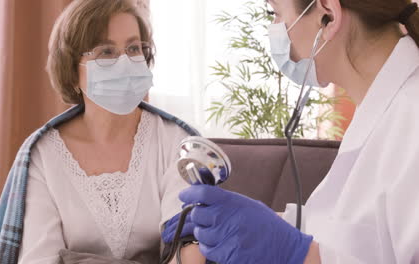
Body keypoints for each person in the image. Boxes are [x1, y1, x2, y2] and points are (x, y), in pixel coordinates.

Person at [163, 0, 419, 263]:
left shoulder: (412, 118)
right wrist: (259, 224)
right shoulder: (381, 111)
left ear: (328, 16)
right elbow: (354, 237)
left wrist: (293, 252)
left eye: (275, 13)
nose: (273, 28)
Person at [0, 0, 205, 263]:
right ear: (72, 70)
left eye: (133, 48)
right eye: (106, 52)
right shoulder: (43, 156)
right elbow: (39, 259)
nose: (125, 62)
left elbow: (191, 250)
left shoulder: (177, 142)